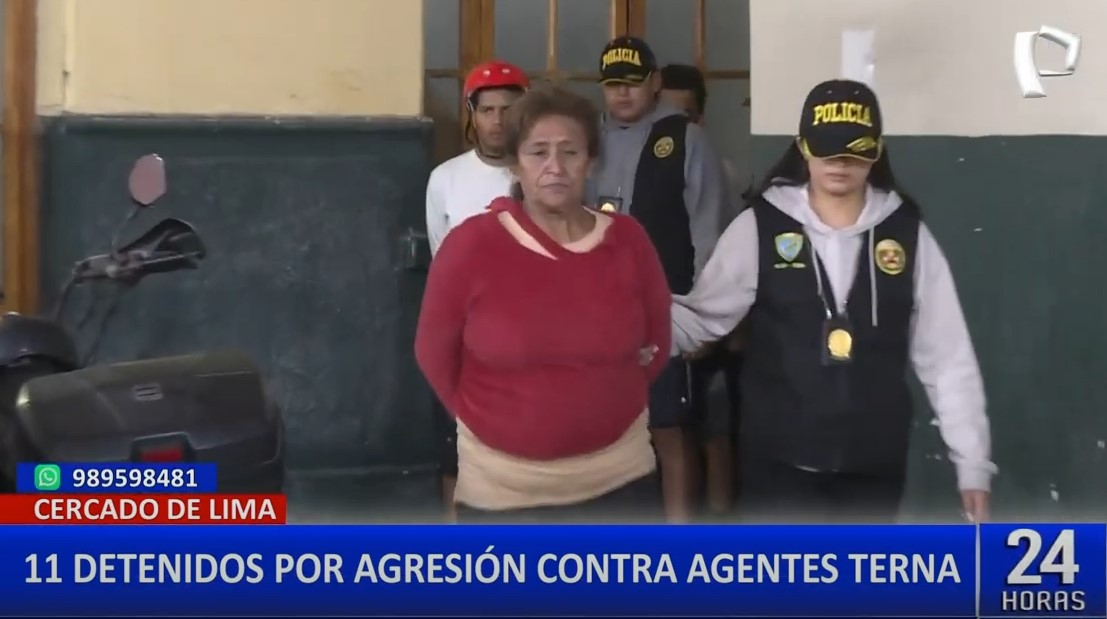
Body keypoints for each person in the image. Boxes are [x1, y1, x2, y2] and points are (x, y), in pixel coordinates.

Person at [671, 79, 995, 524]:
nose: (840, 162)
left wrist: (972, 463)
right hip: (777, 468)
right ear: (803, 147)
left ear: (877, 151)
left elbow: (947, 357)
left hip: (873, 469)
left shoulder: (907, 234)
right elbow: (701, 318)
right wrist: (630, 315)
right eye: (827, 148)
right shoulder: (760, 226)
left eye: (854, 149)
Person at [414, 85, 673, 523]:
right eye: (538, 152)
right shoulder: (471, 246)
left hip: (622, 481)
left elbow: (657, 343)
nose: (555, 167)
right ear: (515, 163)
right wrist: (489, 420)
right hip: (503, 492)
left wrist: (601, 395)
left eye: (570, 152)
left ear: (591, 161)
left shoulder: (629, 240)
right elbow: (433, 352)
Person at [593, 37, 732, 522]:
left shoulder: (685, 138)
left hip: (665, 311)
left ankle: (678, 545)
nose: (623, 93)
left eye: (633, 83)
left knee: (670, 429)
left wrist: (704, 317)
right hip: (596, 316)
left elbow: (709, 231)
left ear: (655, 83)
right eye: (613, 84)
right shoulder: (585, 139)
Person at [424, 60, 529, 519]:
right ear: (472, 113)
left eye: (509, 109)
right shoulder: (445, 179)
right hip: (466, 343)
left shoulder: (541, 174)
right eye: (488, 110)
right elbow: (441, 261)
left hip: (530, 341)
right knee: (458, 456)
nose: (498, 120)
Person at [659, 63, 745, 517]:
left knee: (713, 431)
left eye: (685, 116)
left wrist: (718, 328)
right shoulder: (637, 168)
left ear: (701, 119)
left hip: (712, 322)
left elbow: (734, 263)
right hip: (657, 321)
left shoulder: (724, 173)